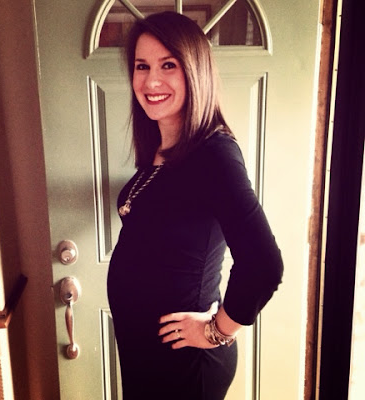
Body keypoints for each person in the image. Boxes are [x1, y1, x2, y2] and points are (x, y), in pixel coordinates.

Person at [107, 11, 283, 400]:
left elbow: (263, 264)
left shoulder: (214, 153)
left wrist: (217, 330)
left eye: (168, 65)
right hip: (148, 352)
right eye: (142, 66)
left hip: (184, 362)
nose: (151, 81)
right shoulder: (161, 147)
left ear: (195, 71)